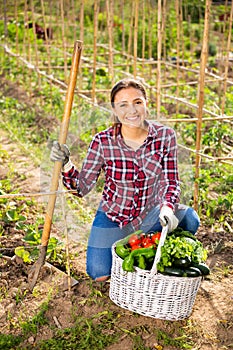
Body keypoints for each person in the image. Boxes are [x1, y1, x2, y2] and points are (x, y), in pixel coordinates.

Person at [50, 78, 200, 282]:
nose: (132, 110)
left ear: (147, 103)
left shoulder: (165, 136)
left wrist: (167, 207)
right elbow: (81, 188)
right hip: (114, 216)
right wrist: (66, 164)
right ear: (114, 109)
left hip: (151, 214)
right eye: (123, 104)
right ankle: (127, 242)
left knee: (190, 219)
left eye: (138, 102)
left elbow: (171, 181)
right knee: (99, 273)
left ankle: (153, 247)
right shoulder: (102, 142)